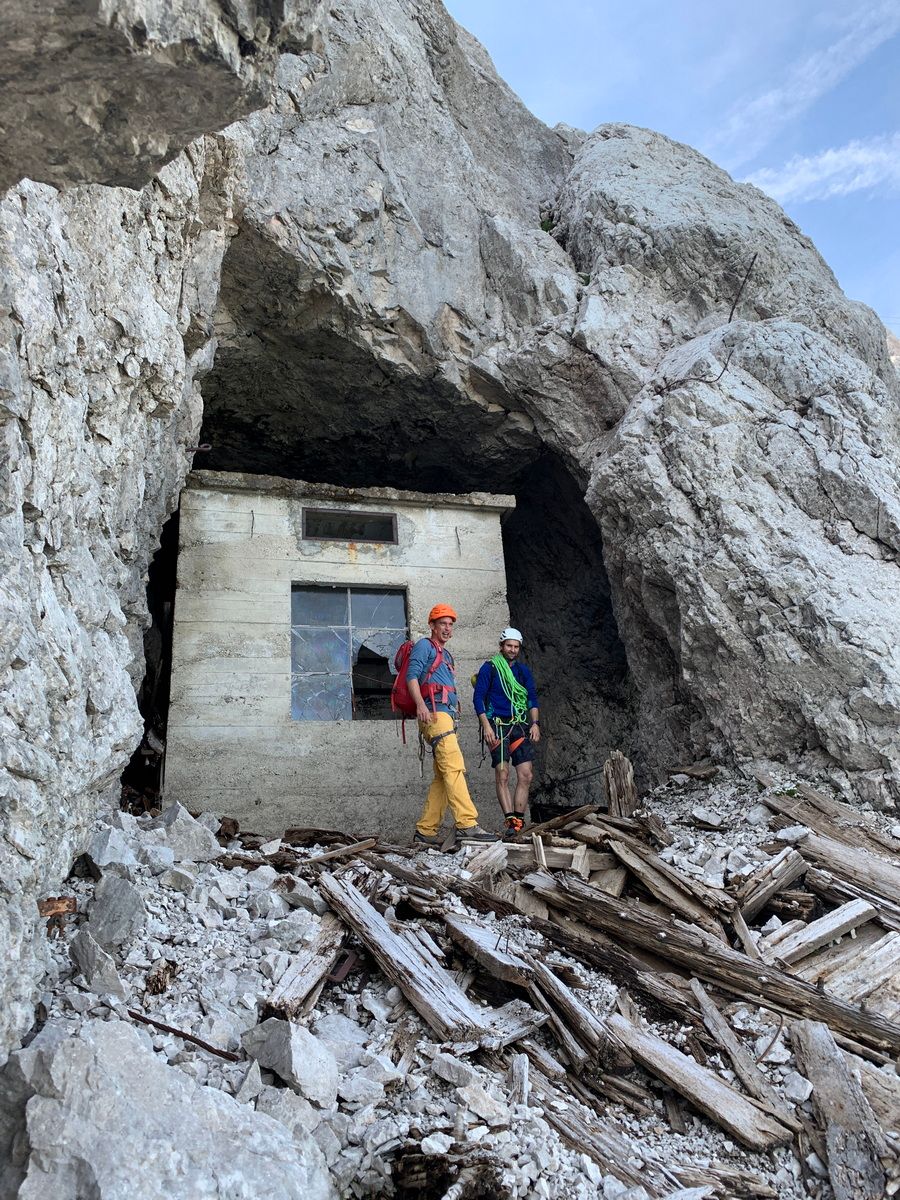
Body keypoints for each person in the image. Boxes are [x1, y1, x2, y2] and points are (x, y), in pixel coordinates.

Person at [407, 604, 496, 847]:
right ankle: (467, 824)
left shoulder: (446, 655)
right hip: (434, 715)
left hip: (445, 716)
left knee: (443, 777)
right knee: (454, 767)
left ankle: (425, 830)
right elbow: (411, 676)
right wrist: (421, 705)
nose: (447, 628)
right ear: (432, 626)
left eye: (450, 624)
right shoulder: (424, 646)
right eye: (442, 624)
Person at [473, 628, 540, 835]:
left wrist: (535, 723)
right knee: (502, 774)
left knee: (526, 775)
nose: (512, 650)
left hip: (519, 726)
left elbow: (531, 698)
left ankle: (518, 822)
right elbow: (478, 698)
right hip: (497, 726)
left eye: (516, 647)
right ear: (501, 646)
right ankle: (511, 824)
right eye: (509, 645)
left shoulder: (522, 671)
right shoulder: (490, 668)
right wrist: (486, 726)